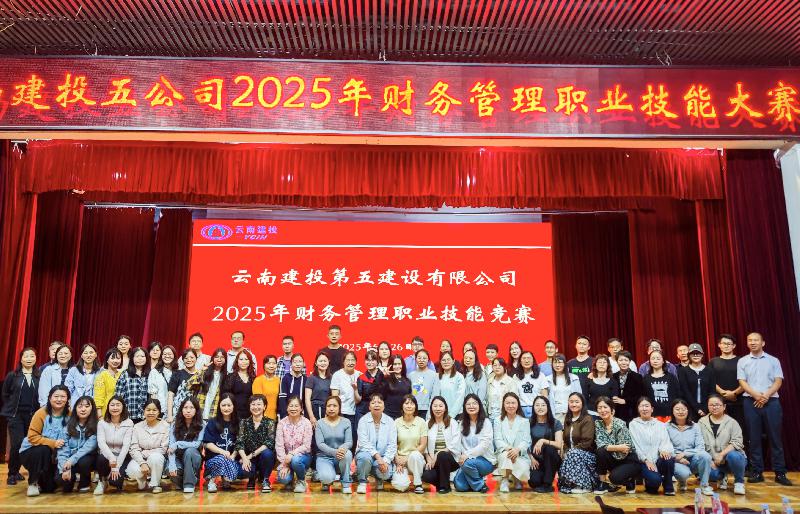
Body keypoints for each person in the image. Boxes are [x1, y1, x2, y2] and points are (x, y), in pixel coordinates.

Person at [736, 332, 790, 485]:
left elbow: (778, 381)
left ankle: (780, 473)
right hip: (750, 401)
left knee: (775, 438)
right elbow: (742, 381)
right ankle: (757, 471)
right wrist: (755, 395)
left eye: (756, 340)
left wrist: (765, 395)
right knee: (754, 438)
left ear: (763, 343)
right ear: (747, 343)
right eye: (750, 340)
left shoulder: (773, 360)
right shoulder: (742, 361)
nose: (753, 342)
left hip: (771, 401)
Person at [18, 385, 69, 496]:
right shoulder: (41, 413)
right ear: (50, 398)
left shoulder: (70, 414)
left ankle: (44, 480)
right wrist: (53, 443)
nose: (59, 399)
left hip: (54, 456)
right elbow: (32, 437)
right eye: (56, 396)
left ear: (67, 399)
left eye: (63, 397)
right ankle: (33, 483)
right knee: (44, 449)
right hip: (32, 452)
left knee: (49, 488)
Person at [1, 347, 41, 485]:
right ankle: (12, 473)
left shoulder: (39, 376)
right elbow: (5, 394)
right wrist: (10, 410)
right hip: (16, 415)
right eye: (26, 356)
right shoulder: (13, 375)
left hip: (33, 416)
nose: (29, 359)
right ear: (21, 358)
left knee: (30, 444)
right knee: (17, 443)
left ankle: (24, 471)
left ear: (35, 358)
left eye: (32, 356)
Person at [699, 394, 747, 495]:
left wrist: (721, 455)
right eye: (711, 405)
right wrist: (709, 461)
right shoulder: (701, 422)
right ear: (708, 406)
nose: (714, 407)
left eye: (717, 405)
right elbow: (699, 443)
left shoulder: (732, 422)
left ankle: (739, 482)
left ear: (724, 406)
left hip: (730, 460)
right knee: (712, 475)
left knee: (734, 455)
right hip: (714, 462)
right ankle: (722, 476)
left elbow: (737, 442)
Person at [628, 397, 676, 495]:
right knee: (655, 483)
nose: (644, 409)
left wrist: (664, 450)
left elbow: (665, 441)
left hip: (658, 459)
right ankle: (650, 482)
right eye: (641, 406)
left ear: (652, 409)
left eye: (647, 406)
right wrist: (646, 460)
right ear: (638, 409)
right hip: (643, 461)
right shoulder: (633, 424)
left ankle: (668, 486)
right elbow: (635, 446)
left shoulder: (660, 425)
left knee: (668, 458)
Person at [667, 398, 713, 495]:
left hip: (692, 459)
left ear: (687, 411)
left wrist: (685, 453)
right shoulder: (666, 426)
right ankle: (682, 481)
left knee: (706, 456)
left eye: (683, 409)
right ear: (672, 411)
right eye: (677, 409)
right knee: (683, 474)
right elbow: (666, 447)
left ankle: (704, 486)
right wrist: (678, 458)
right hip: (676, 460)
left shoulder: (695, 426)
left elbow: (700, 447)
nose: (681, 412)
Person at [594, 396, 638, 494]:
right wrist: (618, 447)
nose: (602, 410)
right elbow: (600, 445)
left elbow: (625, 449)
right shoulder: (598, 424)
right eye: (599, 408)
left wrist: (609, 447)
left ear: (612, 410)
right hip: (615, 457)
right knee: (600, 452)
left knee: (614, 478)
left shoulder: (620, 424)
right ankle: (602, 483)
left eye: (605, 407)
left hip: (628, 460)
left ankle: (629, 479)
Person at [355, 393, 397, 494]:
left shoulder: (390, 421)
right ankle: (362, 482)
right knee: (364, 458)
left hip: (383, 457)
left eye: (379, 402)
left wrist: (385, 461)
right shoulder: (363, 420)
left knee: (385, 474)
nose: (376, 405)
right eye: (373, 403)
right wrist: (378, 457)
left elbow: (392, 444)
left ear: (384, 406)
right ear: (369, 407)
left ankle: (379, 479)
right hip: (366, 454)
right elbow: (364, 443)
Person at [453, 393, 495, 492]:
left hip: (485, 461)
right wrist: (462, 456)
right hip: (466, 462)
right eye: (468, 404)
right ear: (464, 407)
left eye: (474, 403)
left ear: (479, 406)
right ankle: (474, 479)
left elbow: (484, 446)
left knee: (468, 463)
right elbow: (458, 443)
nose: (471, 406)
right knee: (460, 486)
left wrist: (467, 455)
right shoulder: (462, 423)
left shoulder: (486, 422)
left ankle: (480, 485)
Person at [235, 394, 277, 492]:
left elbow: (269, 443)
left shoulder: (270, 422)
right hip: (248, 458)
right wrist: (244, 458)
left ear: (264, 406)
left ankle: (265, 479)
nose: (256, 407)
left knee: (268, 453)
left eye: (259, 404)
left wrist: (249, 456)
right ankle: (252, 478)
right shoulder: (244, 422)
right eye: (253, 404)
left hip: (263, 457)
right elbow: (239, 442)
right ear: (249, 406)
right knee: (242, 472)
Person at [126, 399, 169, 494]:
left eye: (154, 410)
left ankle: (155, 484)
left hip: (157, 459)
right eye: (148, 410)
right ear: (144, 411)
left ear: (159, 412)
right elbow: (134, 448)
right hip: (140, 458)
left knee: (155, 458)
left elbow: (163, 449)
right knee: (131, 470)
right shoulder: (137, 426)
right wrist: (142, 463)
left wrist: (145, 453)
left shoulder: (165, 426)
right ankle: (142, 482)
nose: (151, 412)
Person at [558, 392, 598, 494]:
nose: (574, 404)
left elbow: (587, 442)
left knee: (574, 453)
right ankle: (571, 484)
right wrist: (565, 451)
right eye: (571, 402)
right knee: (565, 454)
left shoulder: (587, 418)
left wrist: (571, 452)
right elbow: (565, 441)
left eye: (577, 402)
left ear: (582, 403)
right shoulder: (568, 418)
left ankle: (585, 486)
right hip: (571, 454)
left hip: (587, 454)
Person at [56, 395, 98, 493]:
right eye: (80, 406)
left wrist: (71, 461)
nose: (83, 409)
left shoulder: (96, 426)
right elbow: (62, 450)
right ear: (75, 409)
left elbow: (87, 448)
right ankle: (72, 478)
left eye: (87, 406)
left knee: (84, 461)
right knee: (62, 482)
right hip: (69, 461)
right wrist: (64, 469)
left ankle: (84, 482)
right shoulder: (68, 426)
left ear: (92, 409)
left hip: (86, 460)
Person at [202, 393, 243, 492]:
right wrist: (222, 452)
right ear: (219, 406)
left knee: (232, 473)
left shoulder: (239, 422)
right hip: (213, 460)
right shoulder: (212, 422)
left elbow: (240, 443)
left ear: (234, 406)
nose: (226, 408)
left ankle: (226, 478)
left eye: (229, 405)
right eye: (223, 405)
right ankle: (212, 481)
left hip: (231, 459)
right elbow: (207, 444)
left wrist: (233, 456)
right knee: (221, 458)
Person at [421, 396, 461, 494]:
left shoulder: (452, 422)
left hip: (450, 460)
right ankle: (442, 482)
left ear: (445, 408)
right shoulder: (427, 423)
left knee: (442, 455)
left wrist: (438, 453)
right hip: (433, 461)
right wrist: (428, 458)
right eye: (435, 406)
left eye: (440, 406)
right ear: (431, 408)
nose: (438, 408)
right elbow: (424, 444)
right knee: (426, 476)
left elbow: (455, 443)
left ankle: (445, 487)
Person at [94, 395, 133, 495]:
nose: (115, 408)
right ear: (108, 407)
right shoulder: (102, 423)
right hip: (107, 456)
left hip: (122, 456)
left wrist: (116, 466)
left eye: (118, 405)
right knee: (100, 458)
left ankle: (113, 479)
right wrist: (111, 458)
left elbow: (126, 446)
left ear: (123, 407)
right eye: (112, 405)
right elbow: (101, 443)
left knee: (115, 482)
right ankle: (102, 481)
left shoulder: (129, 423)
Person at [708, 334, 744, 441]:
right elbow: (711, 380)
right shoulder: (713, 361)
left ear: (734, 346)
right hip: (718, 402)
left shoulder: (741, 360)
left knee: (740, 428)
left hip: (738, 400)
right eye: (724, 343)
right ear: (719, 345)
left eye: (729, 344)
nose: (726, 346)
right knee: (721, 431)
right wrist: (723, 393)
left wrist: (734, 393)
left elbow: (746, 380)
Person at [315, 395, 354, 494]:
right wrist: (335, 452)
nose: (331, 408)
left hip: (340, 456)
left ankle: (346, 483)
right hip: (324, 457)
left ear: (339, 407)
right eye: (329, 406)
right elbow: (320, 444)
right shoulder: (319, 423)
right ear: (325, 407)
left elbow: (349, 442)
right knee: (326, 478)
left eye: (334, 406)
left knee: (347, 454)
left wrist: (342, 449)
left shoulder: (346, 422)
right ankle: (325, 479)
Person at [494, 392, 531, 492]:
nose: (510, 405)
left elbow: (526, 441)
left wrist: (517, 450)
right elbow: (497, 439)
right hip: (504, 452)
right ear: (503, 404)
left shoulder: (524, 421)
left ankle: (516, 477)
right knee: (506, 456)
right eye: (508, 403)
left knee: (523, 468)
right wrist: (509, 449)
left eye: (513, 403)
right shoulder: (498, 420)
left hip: (520, 454)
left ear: (518, 404)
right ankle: (505, 480)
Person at [274, 396, 313, 492]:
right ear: (287, 408)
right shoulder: (281, 423)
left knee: (295, 460)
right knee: (283, 479)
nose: (293, 408)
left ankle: (301, 480)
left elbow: (306, 446)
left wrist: (292, 454)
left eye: (296, 406)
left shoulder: (306, 423)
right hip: (285, 459)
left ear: (301, 408)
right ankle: (290, 480)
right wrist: (285, 465)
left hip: (302, 457)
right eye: (291, 406)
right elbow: (279, 446)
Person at [168, 397, 205, 493]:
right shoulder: (174, 424)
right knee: (169, 469)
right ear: (181, 409)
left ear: (196, 410)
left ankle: (189, 484)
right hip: (179, 457)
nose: (188, 411)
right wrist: (172, 465)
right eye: (185, 407)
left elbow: (196, 444)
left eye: (191, 408)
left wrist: (178, 444)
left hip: (193, 457)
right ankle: (189, 479)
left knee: (189, 451)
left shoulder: (202, 424)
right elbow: (171, 447)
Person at [392, 395, 428, 493]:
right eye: (406, 403)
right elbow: (393, 444)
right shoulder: (396, 422)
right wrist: (397, 460)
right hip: (401, 461)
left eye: (412, 403)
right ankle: (405, 479)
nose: (409, 406)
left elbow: (423, 445)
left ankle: (418, 484)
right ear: (402, 406)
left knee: (415, 455)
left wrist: (407, 458)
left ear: (415, 406)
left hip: (416, 461)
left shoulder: (421, 422)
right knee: (400, 486)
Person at [528, 396, 563, 493]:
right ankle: (543, 478)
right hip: (536, 460)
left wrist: (543, 440)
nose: (540, 407)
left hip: (551, 459)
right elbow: (524, 442)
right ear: (533, 407)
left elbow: (559, 444)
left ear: (548, 407)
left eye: (543, 405)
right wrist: (531, 458)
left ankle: (548, 484)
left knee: (549, 448)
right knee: (534, 482)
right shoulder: (529, 422)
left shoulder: (555, 423)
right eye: (537, 405)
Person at [187, 347, 227, 421]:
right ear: (212, 358)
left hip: (214, 413)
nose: (219, 359)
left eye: (222, 357)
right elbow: (189, 385)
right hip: (200, 410)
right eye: (216, 357)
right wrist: (201, 371)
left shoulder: (226, 376)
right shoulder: (205, 372)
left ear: (225, 360)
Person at [330, 350, 361, 447]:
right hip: (342, 413)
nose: (350, 362)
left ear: (356, 362)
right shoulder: (337, 375)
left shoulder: (360, 375)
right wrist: (337, 413)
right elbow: (334, 397)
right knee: (341, 439)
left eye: (353, 360)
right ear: (343, 362)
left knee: (354, 439)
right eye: (348, 360)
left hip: (356, 413)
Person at [678, 343, 715, 420]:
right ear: (689, 355)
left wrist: (705, 408)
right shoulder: (682, 371)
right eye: (693, 354)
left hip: (707, 409)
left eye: (698, 353)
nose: (695, 355)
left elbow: (712, 391)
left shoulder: (709, 371)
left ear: (702, 354)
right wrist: (697, 408)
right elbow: (685, 392)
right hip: (689, 409)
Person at [642, 350, 680, 420]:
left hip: (670, 415)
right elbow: (644, 398)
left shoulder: (671, 377)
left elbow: (678, 395)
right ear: (649, 361)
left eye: (658, 358)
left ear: (663, 361)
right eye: (653, 358)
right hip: (653, 416)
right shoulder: (645, 379)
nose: (655, 361)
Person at [115, 347, 150, 423]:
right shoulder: (125, 374)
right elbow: (118, 396)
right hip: (128, 416)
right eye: (137, 356)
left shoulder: (150, 374)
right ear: (132, 358)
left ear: (146, 358)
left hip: (146, 417)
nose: (140, 358)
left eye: (142, 356)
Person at [546, 354, 582, 424]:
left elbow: (580, 397)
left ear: (565, 364)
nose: (557, 365)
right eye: (555, 362)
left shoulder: (574, 378)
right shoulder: (547, 380)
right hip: (556, 414)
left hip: (572, 413)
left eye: (560, 362)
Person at [166, 349, 200, 423]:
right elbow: (170, 395)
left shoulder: (200, 375)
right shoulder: (177, 374)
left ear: (196, 358)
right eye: (186, 358)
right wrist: (169, 415)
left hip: (194, 413)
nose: (189, 360)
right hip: (178, 412)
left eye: (191, 357)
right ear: (183, 360)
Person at [64, 343, 100, 409]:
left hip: (93, 406)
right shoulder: (74, 370)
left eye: (91, 352)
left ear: (95, 355)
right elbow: (68, 390)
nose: (88, 355)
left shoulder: (100, 372)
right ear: (82, 355)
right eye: (85, 353)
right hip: (75, 405)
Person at [223, 349, 255, 422]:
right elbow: (225, 396)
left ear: (250, 362)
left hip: (250, 415)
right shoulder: (231, 377)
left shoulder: (253, 378)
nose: (243, 361)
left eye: (246, 359)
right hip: (233, 414)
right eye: (241, 359)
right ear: (237, 361)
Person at [611, 350, 643, 422]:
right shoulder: (613, 376)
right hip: (617, 412)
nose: (623, 362)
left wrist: (625, 401)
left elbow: (640, 396)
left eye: (626, 360)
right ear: (617, 361)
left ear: (630, 361)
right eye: (621, 360)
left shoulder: (637, 377)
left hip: (632, 411)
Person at [408, 349, 438, 419]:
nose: (421, 360)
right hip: (412, 409)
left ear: (428, 360)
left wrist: (430, 412)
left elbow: (435, 395)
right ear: (415, 360)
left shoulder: (434, 375)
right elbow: (409, 394)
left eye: (424, 358)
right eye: (419, 358)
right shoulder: (410, 375)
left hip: (428, 410)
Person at [487, 357, 519, 423]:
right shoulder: (490, 381)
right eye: (495, 365)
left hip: (505, 416)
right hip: (491, 416)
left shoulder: (510, 381)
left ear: (504, 367)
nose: (497, 367)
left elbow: (515, 400)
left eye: (500, 365)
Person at [356, 350, 383, 424]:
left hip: (379, 410)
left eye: (373, 360)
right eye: (368, 360)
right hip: (363, 411)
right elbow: (359, 398)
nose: (370, 362)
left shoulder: (383, 376)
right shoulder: (361, 378)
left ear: (377, 362)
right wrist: (355, 389)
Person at [305, 352, 332, 427]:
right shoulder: (311, 378)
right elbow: (307, 399)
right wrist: (311, 416)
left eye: (325, 361)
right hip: (315, 411)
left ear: (328, 362)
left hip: (328, 411)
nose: (323, 363)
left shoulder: (331, 377)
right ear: (316, 363)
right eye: (320, 361)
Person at [517, 351, 547, 418]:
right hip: (521, 409)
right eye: (524, 358)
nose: (526, 361)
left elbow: (545, 396)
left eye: (529, 358)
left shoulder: (541, 376)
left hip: (537, 409)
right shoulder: (516, 377)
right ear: (520, 361)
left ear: (533, 361)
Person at [380, 355, 412, 420]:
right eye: (395, 364)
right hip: (388, 415)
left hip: (403, 416)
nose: (397, 366)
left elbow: (409, 398)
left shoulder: (407, 380)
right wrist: (383, 377)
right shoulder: (386, 379)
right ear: (391, 365)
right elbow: (381, 395)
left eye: (399, 364)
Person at [94, 348, 123, 417]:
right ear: (107, 360)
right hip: (105, 411)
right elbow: (98, 396)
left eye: (118, 358)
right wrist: (99, 415)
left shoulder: (122, 374)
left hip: (120, 411)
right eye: (112, 358)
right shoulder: (102, 376)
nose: (115, 361)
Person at [436, 351, 466, 418]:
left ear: (453, 361)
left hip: (456, 414)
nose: (446, 362)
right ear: (440, 362)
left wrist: (451, 414)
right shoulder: (437, 377)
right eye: (443, 360)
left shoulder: (459, 376)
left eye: (448, 359)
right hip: (440, 413)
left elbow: (460, 397)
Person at [252, 354, 280, 421]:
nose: (271, 366)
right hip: (261, 417)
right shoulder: (258, 380)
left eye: (274, 363)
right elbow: (257, 402)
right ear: (264, 365)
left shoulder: (278, 380)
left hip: (275, 417)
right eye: (268, 363)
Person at [147, 345, 176, 411]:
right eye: (164, 354)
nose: (167, 356)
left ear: (174, 355)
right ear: (161, 356)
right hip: (160, 408)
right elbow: (153, 395)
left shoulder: (178, 371)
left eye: (170, 354)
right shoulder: (154, 372)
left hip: (175, 409)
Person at [278, 353, 306, 419]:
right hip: (287, 415)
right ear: (291, 363)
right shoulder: (285, 378)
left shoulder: (306, 379)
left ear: (303, 364)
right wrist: (285, 416)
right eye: (295, 362)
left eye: (300, 361)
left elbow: (306, 400)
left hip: (302, 416)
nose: (297, 364)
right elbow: (282, 399)